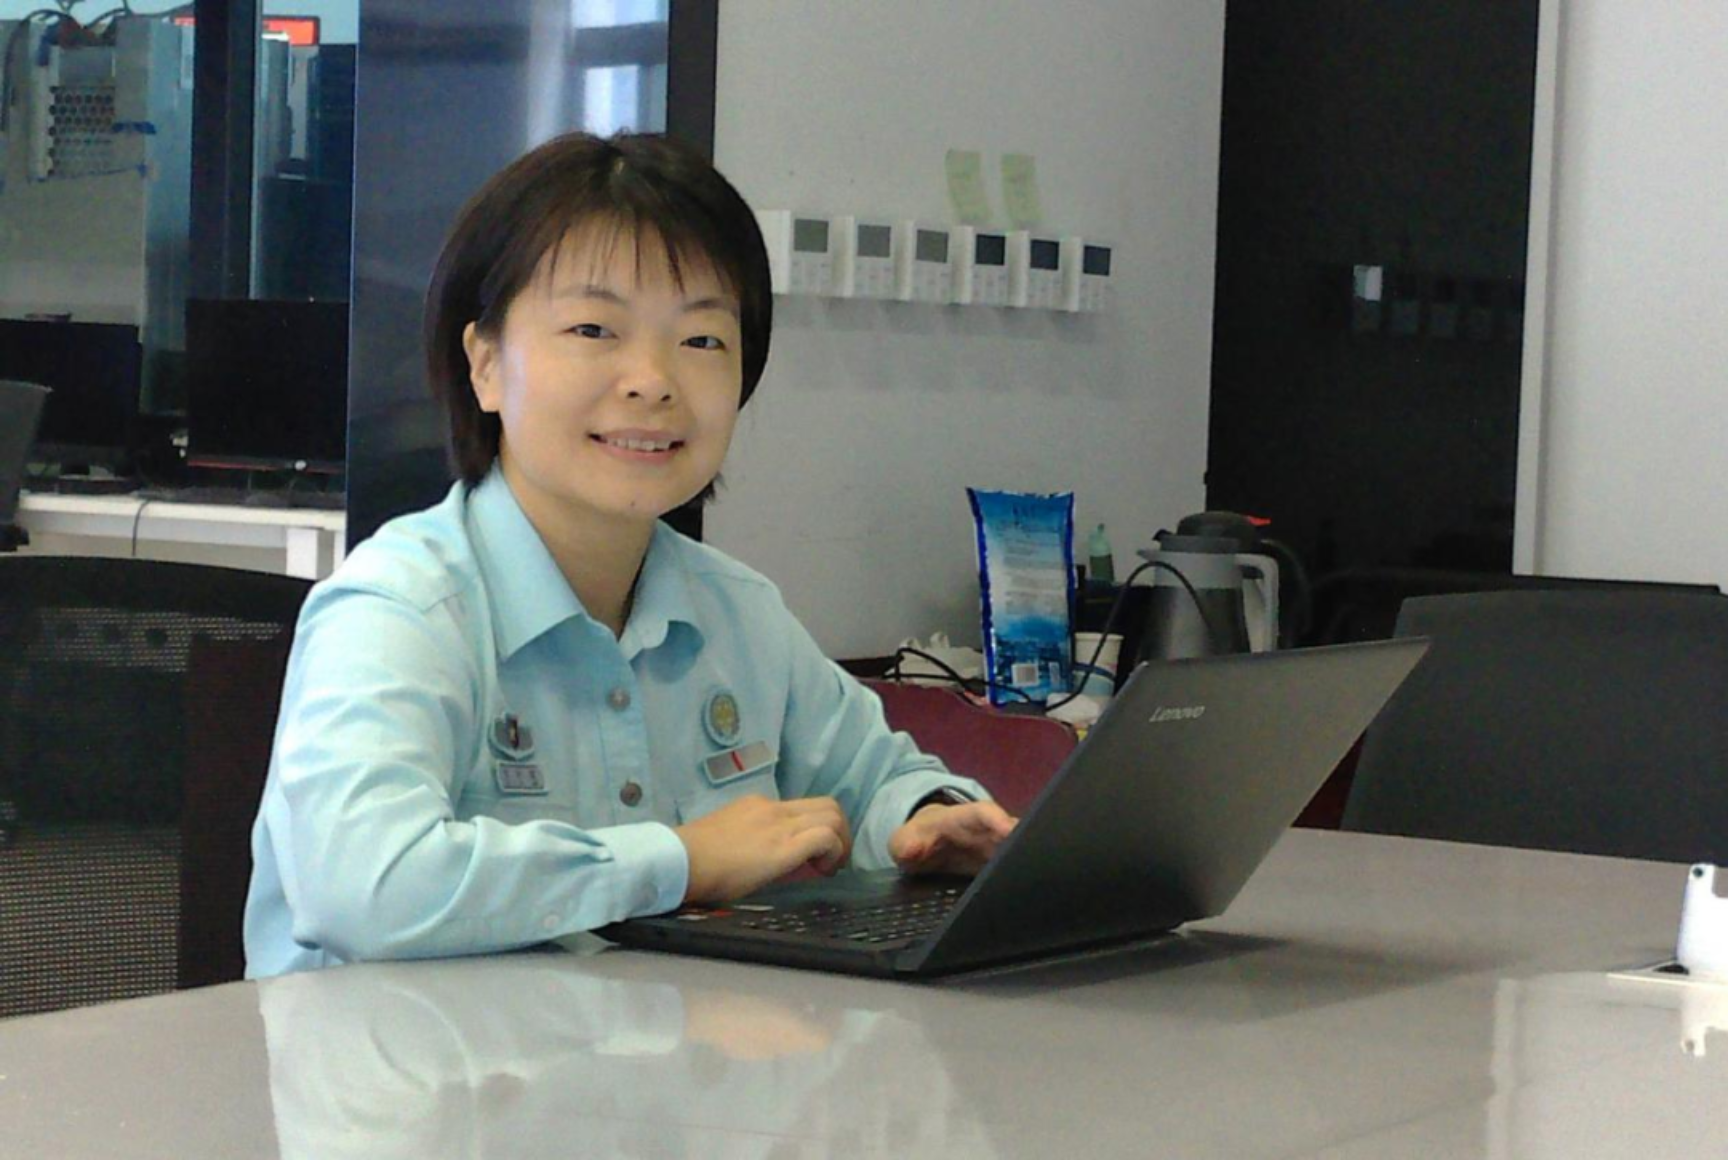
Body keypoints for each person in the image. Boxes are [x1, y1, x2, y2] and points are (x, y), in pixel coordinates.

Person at [243, 132, 1016, 977]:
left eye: (702, 340)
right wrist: (680, 860)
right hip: (400, 1059)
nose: (652, 379)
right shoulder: (402, 608)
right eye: (593, 328)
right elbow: (360, 886)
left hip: (647, 1048)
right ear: (486, 364)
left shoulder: (738, 613)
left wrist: (927, 819)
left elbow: (873, 780)